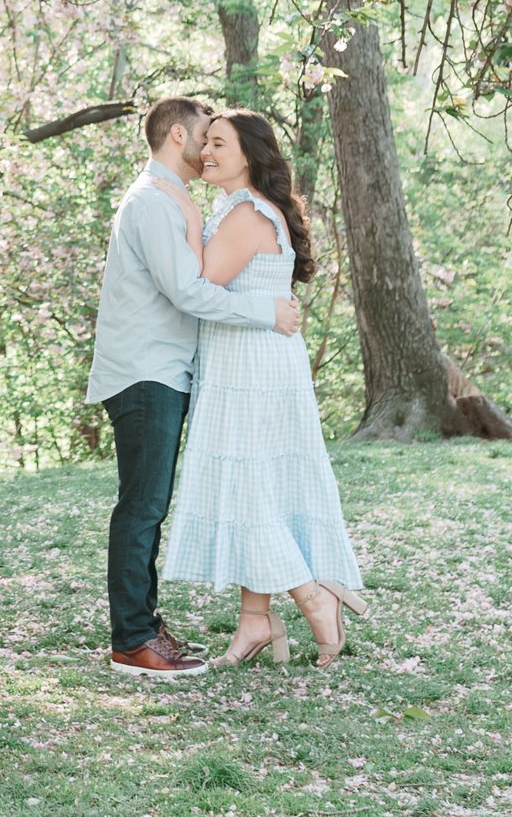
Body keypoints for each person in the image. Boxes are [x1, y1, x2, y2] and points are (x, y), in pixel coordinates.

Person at [89, 97, 304, 678]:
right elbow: (189, 292)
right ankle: (132, 640)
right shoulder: (154, 203)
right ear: (178, 136)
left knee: (148, 505)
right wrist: (268, 312)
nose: (210, 148)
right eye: (206, 136)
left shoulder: (172, 200)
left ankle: (144, 626)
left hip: (163, 369)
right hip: (144, 372)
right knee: (142, 507)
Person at [158, 108, 366, 668]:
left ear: (249, 155)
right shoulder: (234, 207)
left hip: (252, 368)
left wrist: (177, 204)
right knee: (257, 486)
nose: (207, 154)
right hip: (247, 361)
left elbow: (198, 282)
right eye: (206, 145)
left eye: (219, 144)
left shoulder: (248, 213)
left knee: (249, 489)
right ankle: (255, 621)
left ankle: (313, 594)